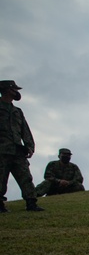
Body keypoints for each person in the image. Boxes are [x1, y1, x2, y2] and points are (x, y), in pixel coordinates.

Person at [0, 79, 42, 212]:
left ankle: (31, 203)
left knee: (26, 177)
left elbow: (25, 130)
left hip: (18, 151)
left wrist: (29, 146)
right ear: (7, 90)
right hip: (2, 151)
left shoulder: (17, 111)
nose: (17, 93)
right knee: (1, 178)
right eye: (14, 89)